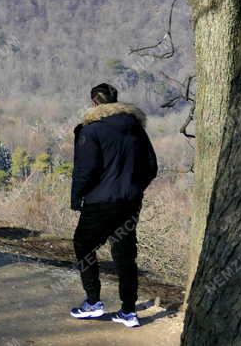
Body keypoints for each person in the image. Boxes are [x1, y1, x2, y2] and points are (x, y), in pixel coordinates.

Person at [69, 83, 158, 329]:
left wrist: (77, 197)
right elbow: (151, 167)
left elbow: (84, 170)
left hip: (100, 201)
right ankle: (129, 311)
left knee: (84, 245)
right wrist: (134, 188)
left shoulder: (91, 130)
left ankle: (93, 302)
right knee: (125, 253)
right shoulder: (136, 128)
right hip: (129, 201)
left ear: (94, 103)